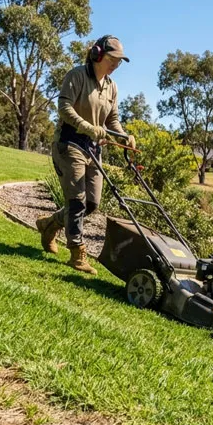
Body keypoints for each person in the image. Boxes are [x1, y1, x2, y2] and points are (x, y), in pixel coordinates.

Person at [35, 35, 136, 274]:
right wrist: (88, 127)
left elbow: (112, 120)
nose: (115, 64)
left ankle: (50, 224)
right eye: (112, 59)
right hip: (69, 142)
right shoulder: (77, 76)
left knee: (92, 202)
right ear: (97, 54)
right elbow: (64, 107)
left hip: (93, 148)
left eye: (119, 61)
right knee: (77, 200)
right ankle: (77, 253)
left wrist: (124, 136)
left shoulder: (111, 86)